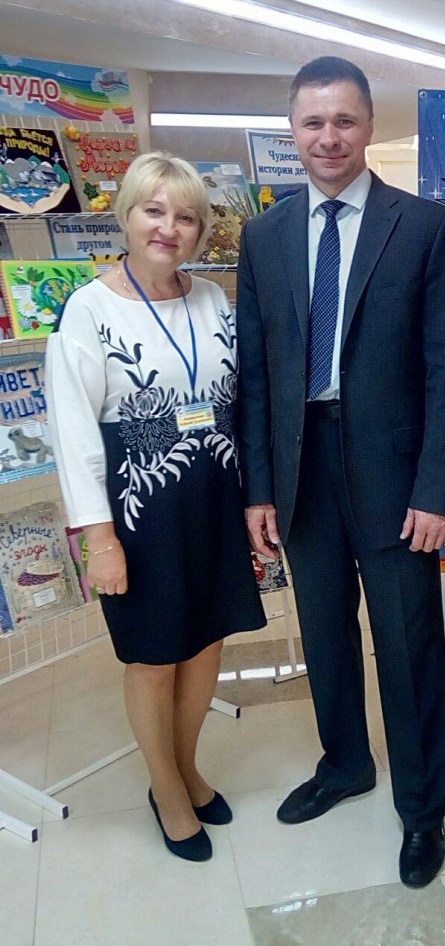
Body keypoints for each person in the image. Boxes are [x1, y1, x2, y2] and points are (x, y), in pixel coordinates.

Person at [237, 56, 445, 888]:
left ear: (368, 125)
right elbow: (255, 375)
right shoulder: (263, 236)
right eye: (312, 122)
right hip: (299, 470)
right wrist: (257, 488)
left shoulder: (425, 227)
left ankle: (422, 811)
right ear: (292, 131)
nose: (328, 136)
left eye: (343, 120)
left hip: (395, 475)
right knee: (325, 632)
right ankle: (343, 764)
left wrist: (436, 489)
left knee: (407, 644)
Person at [46, 151, 266, 862]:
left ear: (201, 230)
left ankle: (188, 767)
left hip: (213, 496)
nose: (169, 228)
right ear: (127, 215)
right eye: (154, 210)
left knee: (206, 644)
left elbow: (236, 399)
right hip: (141, 509)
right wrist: (99, 539)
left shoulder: (212, 300)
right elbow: (74, 432)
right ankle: (165, 788)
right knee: (153, 656)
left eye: (186, 217)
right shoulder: (88, 309)